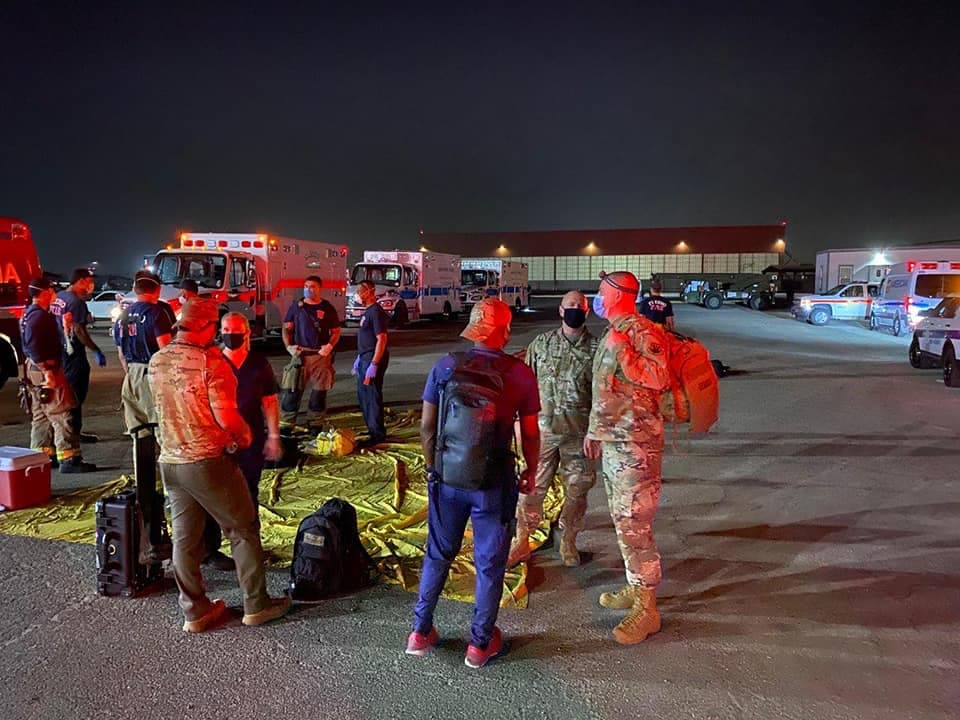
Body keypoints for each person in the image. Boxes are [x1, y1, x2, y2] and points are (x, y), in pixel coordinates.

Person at [405, 298, 540, 669]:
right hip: (493, 484)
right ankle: (479, 645)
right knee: (489, 565)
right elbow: (529, 432)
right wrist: (531, 469)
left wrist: (435, 467)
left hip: (448, 479)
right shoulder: (519, 373)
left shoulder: (446, 365)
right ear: (506, 331)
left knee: (438, 553)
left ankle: (420, 631)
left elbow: (427, 427)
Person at [148, 299, 290, 632]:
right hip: (208, 460)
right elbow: (226, 416)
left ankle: (195, 611)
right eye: (216, 328)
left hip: (170, 461)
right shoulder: (210, 362)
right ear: (207, 327)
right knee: (242, 530)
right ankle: (257, 604)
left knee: (185, 540)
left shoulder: (158, 360)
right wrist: (244, 437)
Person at [584, 271, 671, 645]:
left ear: (620, 294)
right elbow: (605, 388)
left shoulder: (641, 331)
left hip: (637, 445)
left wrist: (623, 350)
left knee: (636, 522)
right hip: (616, 442)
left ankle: (648, 609)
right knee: (623, 522)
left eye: (601, 291)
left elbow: (658, 377)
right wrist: (595, 430)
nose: (596, 296)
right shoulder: (614, 329)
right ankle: (635, 587)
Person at [508, 290, 598, 568]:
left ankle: (569, 538)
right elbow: (524, 386)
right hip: (542, 433)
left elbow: (605, 396)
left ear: (587, 311)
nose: (574, 310)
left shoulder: (598, 349)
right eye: (569, 305)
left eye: (579, 306)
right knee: (531, 489)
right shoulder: (541, 344)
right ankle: (522, 540)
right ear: (560, 311)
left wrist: (599, 432)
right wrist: (517, 424)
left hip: (578, 436)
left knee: (577, 491)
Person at [19, 278, 94, 473]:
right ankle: (69, 459)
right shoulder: (39, 317)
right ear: (44, 292)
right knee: (62, 413)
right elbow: (34, 345)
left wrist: (64, 325)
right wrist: (49, 373)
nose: (54, 294)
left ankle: (43, 456)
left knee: (41, 415)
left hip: (35, 372)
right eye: (51, 290)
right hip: (46, 371)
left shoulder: (31, 314)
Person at [219, 312, 283, 505]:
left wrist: (273, 436)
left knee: (248, 490)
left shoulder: (258, 364)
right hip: (221, 440)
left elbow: (270, 402)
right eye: (226, 330)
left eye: (236, 330)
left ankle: (248, 530)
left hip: (251, 438)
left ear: (246, 333)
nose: (231, 334)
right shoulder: (214, 363)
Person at [50, 268, 107, 444]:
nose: (91, 285)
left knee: (64, 394)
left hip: (60, 352)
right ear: (81, 280)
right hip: (73, 354)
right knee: (75, 396)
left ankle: (70, 431)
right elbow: (79, 330)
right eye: (89, 280)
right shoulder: (76, 302)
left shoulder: (59, 297)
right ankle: (72, 433)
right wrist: (96, 349)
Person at [281, 275, 341, 427]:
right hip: (300, 356)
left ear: (320, 288)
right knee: (291, 393)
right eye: (306, 286)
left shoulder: (327, 308)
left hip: (320, 356)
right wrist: (289, 346)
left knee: (318, 395)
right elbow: (287, 328)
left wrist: (329, 346)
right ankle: (287, 426)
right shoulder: (297, 307)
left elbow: (336, 331)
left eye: (313, 286)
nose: (309, 289)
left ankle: (315, 424)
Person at [354, 280, 389, 446]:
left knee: (372, 396)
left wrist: (374, 363)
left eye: (361, 291)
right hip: (365, 356)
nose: (358, 294)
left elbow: (381, 338)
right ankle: (371, 428)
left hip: (372, 357)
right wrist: (359, 357)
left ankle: (377, 433)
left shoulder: (375, 312)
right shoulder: (367, 312)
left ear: (370, 292)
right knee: (363, 395)